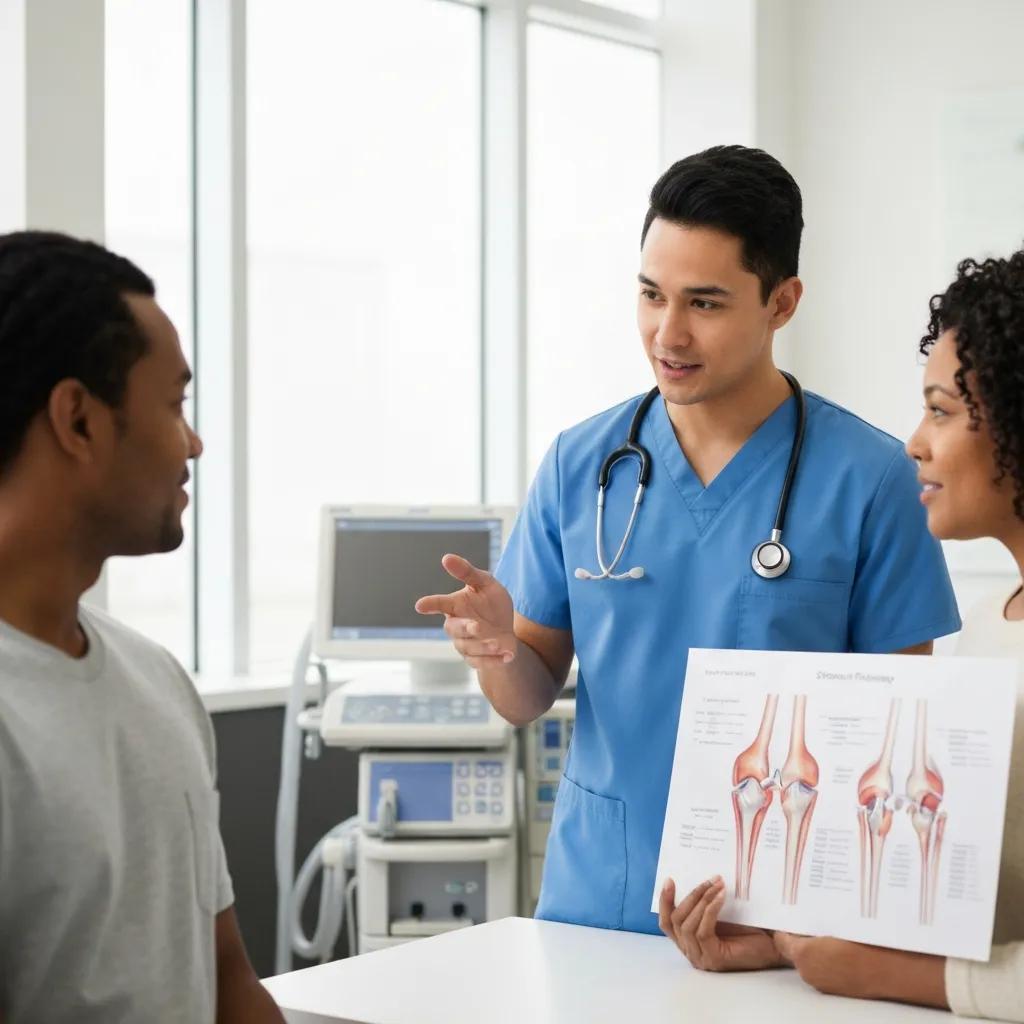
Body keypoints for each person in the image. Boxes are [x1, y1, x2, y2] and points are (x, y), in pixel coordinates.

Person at [415, 145, 961, 937]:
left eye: (705, 303)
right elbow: (526, 700)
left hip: (783, 925)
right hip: (597, 905)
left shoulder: (871, 480)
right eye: (650, 295)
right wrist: (499, 649)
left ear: (782, 302)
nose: (667, 333)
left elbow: (897, 745)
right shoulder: (582, 465)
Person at [664, 250, 1024, 1023]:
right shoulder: (1004, 627)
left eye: (942, 411)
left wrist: (886, 975)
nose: (915, 444)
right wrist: (785, 945)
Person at [0, 232, 284, 1023]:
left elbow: (225, 979)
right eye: (174, 404)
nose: (192, 443)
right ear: (79, 421)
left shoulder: (155, 682)